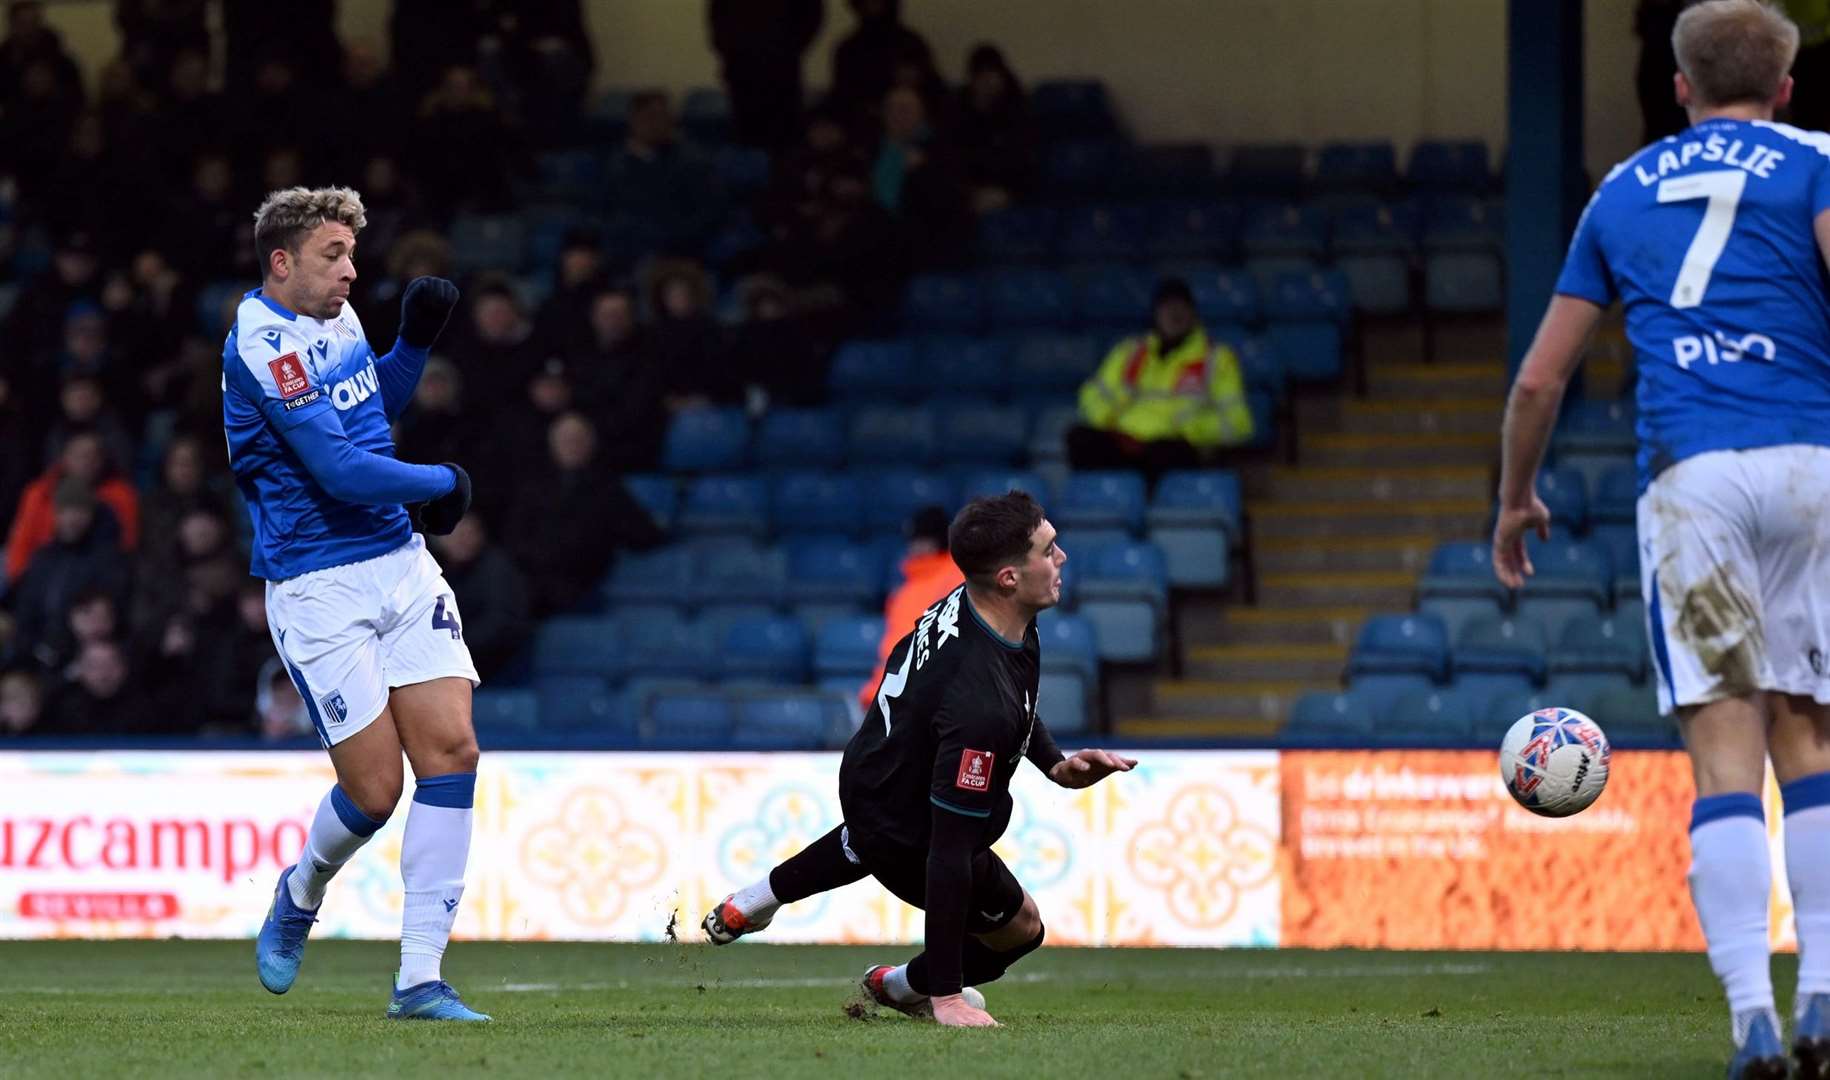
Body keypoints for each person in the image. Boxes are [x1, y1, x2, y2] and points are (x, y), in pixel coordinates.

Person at [1492, 4, 1830, 1076]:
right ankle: (1823, 995)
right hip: (1814, 465)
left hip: (1691, 481)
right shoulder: (1819, 160)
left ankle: (1753, 1024)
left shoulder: (1623, 189)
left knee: (1725, 759)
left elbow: (1542, 376)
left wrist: (1515, 497)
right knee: (1813, 745)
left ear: (1677, 87)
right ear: (1786, 88)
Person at [703, 492, 1136, 1027]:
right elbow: (947, 856)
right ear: (1007, 577)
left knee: (867, 835)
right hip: (904, 819)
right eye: (1049, 550)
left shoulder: (985, 604)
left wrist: (1054, 764)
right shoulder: (980, 706)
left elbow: (1014, 693)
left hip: (877, 767)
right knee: (1021, 927)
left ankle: (756, 898)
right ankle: (903, 986)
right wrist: (950, 997)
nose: (1062, 558)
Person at [226, 186, 488, 1022]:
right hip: (317, 584)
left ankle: (419, 980)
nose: (350, 271)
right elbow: (337, 470)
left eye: (351, 254)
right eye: (333, 256)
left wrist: (411, 342)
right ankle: (300, 893)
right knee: (374, 793)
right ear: (282, 261)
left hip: (398, 566)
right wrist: (441, 483)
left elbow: (370, 411)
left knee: (452, 754)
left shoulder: (337, 320)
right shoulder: (261, 343)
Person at [1068, 277, 1256, 484]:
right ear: (1156, 313)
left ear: (1193, 313)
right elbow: (1092, 395)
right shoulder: (1129, 352)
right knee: (1078, 438)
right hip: (1125, 442)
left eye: (1181, 306)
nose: (1174, 313)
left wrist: (1189, 430)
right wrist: (1109, 419)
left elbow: (1239, 423)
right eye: (1167, 307)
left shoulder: (1217, 358)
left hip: (1174, 448)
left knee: (1166, 452)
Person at [859, 506, 963, 710]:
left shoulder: (958, 580)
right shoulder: (903, 592)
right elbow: (893, 652)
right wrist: (874, 694)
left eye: (921, 539)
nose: (914, 547)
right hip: (901, 702)